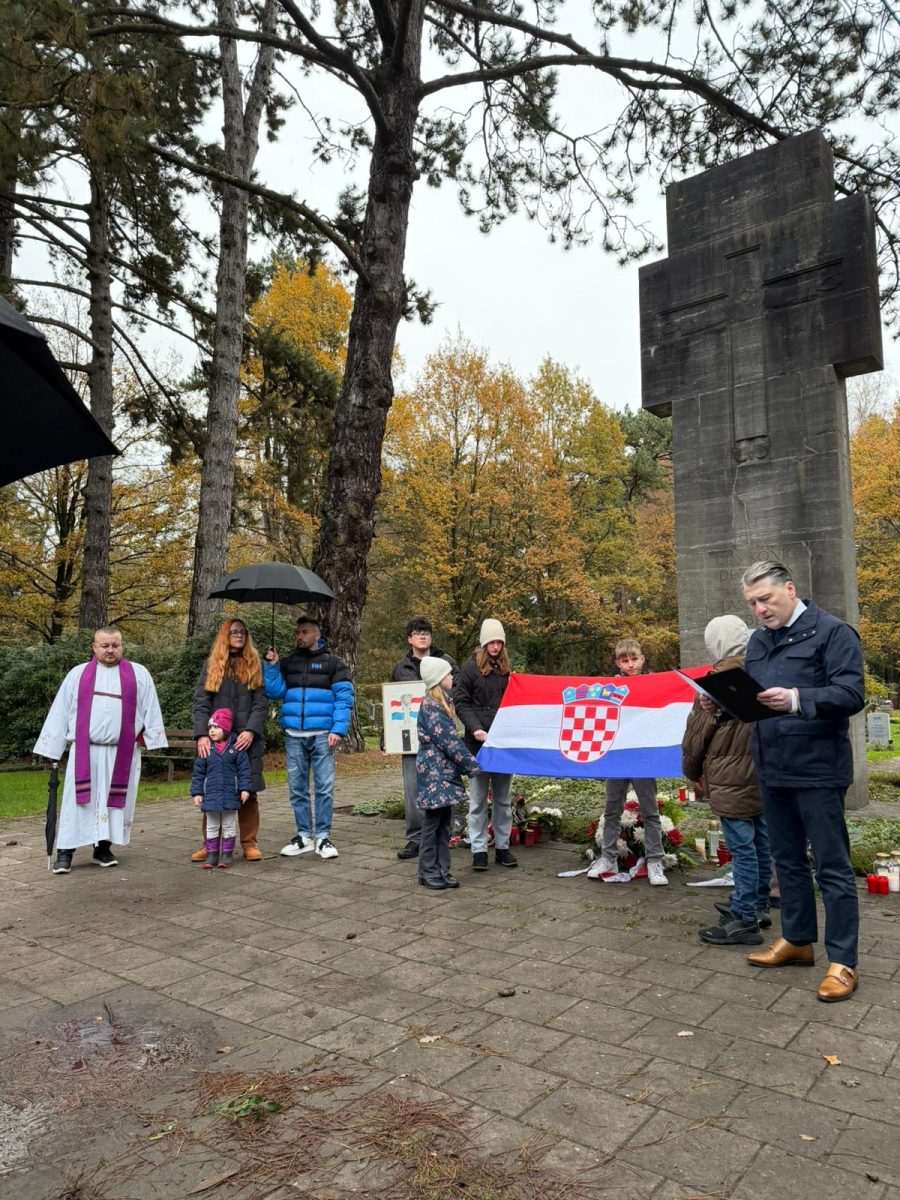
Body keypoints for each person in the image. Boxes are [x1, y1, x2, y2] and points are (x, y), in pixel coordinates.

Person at [740, 560, 865, 1002]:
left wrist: (797, 699)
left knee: (831, 866)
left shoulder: (833, 633)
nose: (759, 610)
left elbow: (851, 694)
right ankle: (797, 940)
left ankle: (843, 960)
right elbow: (754, 693)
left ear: (789, 590)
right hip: (772, 766)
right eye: (753, 603)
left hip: (817, 768)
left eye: (766, 600)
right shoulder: (758, 642)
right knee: (786, 861)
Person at [33, 626, 166, 875]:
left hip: (121, 753)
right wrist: (53, 748)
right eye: (104, 645)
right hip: (86, 751)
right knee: (77, 801)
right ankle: (65, 851)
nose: (110, 650)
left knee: (114, 803)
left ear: (122, 646)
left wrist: (153, 737)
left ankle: (103, 848)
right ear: (94, 647)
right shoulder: (78, 674)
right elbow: (61, 711)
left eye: (115, 645)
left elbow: (151, 707)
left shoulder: (138, 674)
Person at [682, 616, 772, 945]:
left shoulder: (717, 681)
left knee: (742, 848)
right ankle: (759, 904)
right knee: (761, 841)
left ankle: (744, 917)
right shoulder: (763, 672)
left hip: (729, 776)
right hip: (759, 772)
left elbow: (697, 737)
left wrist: (692, 771)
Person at [264, 614, 354, 860]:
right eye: (297, 632)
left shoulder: (334, 663)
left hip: (323, 735)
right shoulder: (289, 662)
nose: (299, 636)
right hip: (294, 734)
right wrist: (271, 667)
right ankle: (304, 836)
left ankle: (323, 836)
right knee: (297, 788)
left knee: (324, 787)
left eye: (304, 632)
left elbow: (345, 698)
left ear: (317, 635)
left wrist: (338, 730)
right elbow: (274, 691)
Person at [191, 619, 268, 863]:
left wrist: (251, 731)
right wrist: (203, 734)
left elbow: (260, 703)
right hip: (217, 739)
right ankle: (210, 844)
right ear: (225, 635)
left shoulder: (254, 664)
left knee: (248, 790)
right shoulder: (212, 665)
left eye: (242, 632)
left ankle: (249, 843)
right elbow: (201, 703)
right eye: (234, 632)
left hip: (246, 740)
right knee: (213, 789)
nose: (239, 635)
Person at [595, 638, 668, 886]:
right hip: (617, 756)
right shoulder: (611, 687)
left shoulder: (654, 684)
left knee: (650, 811)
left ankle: (655, 861)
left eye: (634, 659)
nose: (630, 664)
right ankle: (608, 857)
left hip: (643, 758)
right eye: (625, 660)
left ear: (642, 659)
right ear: (618, 663)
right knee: (612, 809)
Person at [453, 619, 517, 871]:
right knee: (478, 799)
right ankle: (478, 849)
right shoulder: (469, 669)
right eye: (492, 641)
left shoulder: (507, 670)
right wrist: (475, 728)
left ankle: (502, 846)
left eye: (499, 641)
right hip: (477, 744)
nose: (496, 646)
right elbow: (461, 701)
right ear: (484, 642)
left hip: (502, 745)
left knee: (503, 799)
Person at [391, 617, 456, 861]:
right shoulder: (401, 667)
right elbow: (391, 703)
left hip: (439, 737)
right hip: (409, 737)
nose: (423, 636)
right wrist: (389, 736)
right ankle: (415, 839)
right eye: (418, 632)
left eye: (427, 632)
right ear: (409, 638)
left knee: (442, 784)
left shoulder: (446, 662)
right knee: (412, 788)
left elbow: (456, 692)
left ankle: (442, 836)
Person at [416, 656, 480, 890]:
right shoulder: (433, 708)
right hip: (435, 774)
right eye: (448, 674)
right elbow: (450, 742)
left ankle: (442, 869)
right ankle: (428, 871)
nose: (452, 677)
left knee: (444, 825)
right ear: (438, 679)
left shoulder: (443, 703)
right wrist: (472, 766)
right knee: (433, 825)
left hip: (442, 773)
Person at [191, 708, 251, 869]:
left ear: (225, 729)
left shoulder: (236, 749)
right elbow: (198, 773)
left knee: (229, 825)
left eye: (216, 727)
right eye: (210, 728)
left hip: (230, 794)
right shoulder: (206, 750)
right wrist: (197, 792)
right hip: (210, 795)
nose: (212, 731)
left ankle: (227, 854)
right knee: (212, 825)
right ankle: (212, 855)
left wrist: (244, 789)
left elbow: (244, 771)